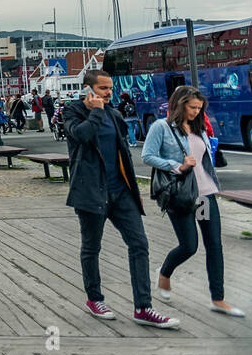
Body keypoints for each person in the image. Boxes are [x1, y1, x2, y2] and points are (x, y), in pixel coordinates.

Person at [65, 70, 178, 328]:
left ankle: (143, 307)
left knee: (139, 244)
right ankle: (94, 299)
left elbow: (123, 152)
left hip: (121, 192)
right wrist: (95, 111)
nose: (109, 92)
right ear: (88, 90)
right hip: (91, 193)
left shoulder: (114, 115)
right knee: (91, 247)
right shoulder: (74, 113)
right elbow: (80, 136)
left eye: (110, 87)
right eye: (103, 88)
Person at [142, 86, 243, 317]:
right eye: (192, 107)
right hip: (181, 195)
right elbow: (147, 156)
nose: (196, 112)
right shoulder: (162, 127)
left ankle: (218, 299)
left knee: (214, 245)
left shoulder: (199, 127)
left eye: (199, 108)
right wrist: (177, 165)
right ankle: (165, 273)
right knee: (189, 246)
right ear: (179, 104)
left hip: (204, 196)